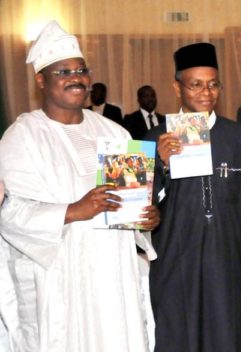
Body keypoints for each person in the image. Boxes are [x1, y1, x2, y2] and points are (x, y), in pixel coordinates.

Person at [0, 20, 159, 351]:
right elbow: (9, 213)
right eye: (63, 72)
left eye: (81, 70)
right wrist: (74, 211)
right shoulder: (22, 136)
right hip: (59, 281)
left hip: (114, 276)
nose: (76, 78)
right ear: (41, 80)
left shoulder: (116, 134)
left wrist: (145, 221)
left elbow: (131, 211)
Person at [145, 42, 241, 352]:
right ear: (177, 87)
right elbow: (140, 211)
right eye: (196, 85)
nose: (206, 93)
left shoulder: (238, 136)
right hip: (174, 260)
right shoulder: (153, 139)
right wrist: (161, 164)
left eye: (213, 85)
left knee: (227, 336)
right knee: (177, 337)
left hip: (223, 260)